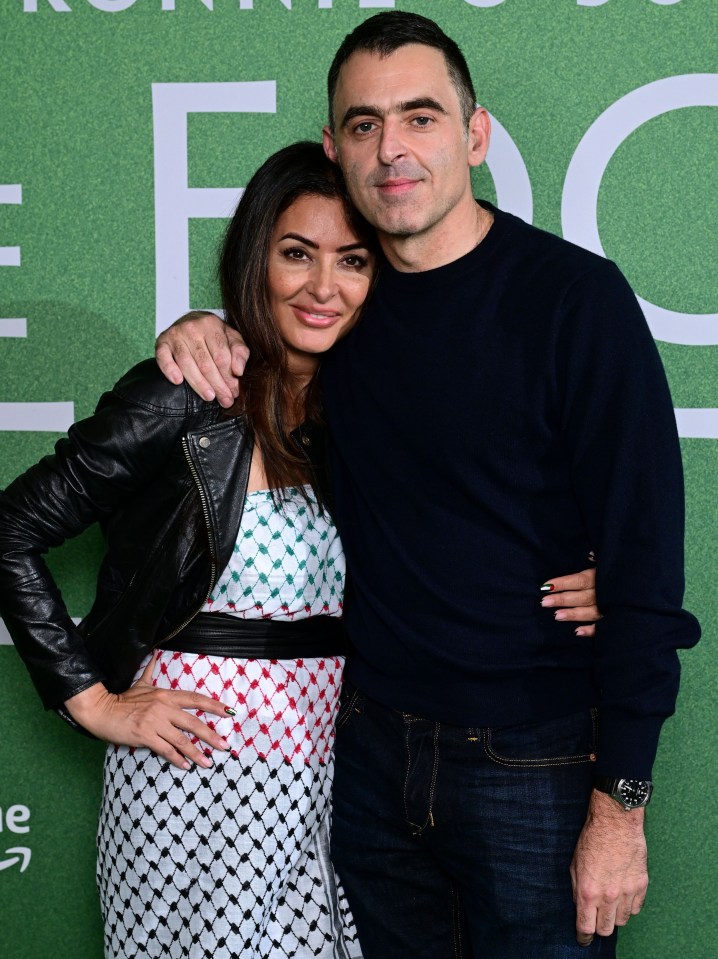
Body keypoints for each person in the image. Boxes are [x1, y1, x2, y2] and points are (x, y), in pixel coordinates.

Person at [155, 11, 701, 959]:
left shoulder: (574, 302)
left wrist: (622, 810)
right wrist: (198, 323)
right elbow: (265, 321)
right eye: (363, 124)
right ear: (334, 148)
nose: (391, 148)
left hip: (532, 758)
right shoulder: (341, 306)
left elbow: (646, 570)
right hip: (365, 759)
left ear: (474, 135)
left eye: (420, 117)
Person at [0, 142, 377, 959]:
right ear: (254, 259)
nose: (323, 286)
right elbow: (12, 528)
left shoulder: (374, 412)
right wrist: (93, 701)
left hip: (327, 777)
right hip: (192, 787)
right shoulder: (186, 392)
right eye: (295, 254)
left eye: (353, 259)